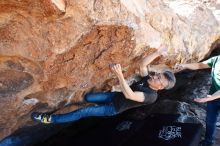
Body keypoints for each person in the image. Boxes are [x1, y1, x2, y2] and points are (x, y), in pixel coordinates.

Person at [32, 45, 176, 124]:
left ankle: (50, 119)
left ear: (160, 87)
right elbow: (142, 65)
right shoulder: (148, 79)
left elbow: (130, 94)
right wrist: (157, 53)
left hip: (113, 108)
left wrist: (119, 74)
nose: (155, 77)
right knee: (88, 97)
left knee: (83, 112)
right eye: (157, 75)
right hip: (114, 96)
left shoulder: (151, 96)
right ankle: (83, 104)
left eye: (158, 79)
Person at [175, 55, 220, 146]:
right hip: (212, 96)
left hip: (213, 96)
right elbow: (199, 65)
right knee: (210, 120)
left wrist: (210, 98)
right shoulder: (217, 59)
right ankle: (207, 142)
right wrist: (184, 65)